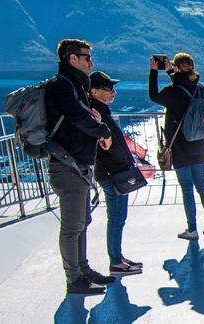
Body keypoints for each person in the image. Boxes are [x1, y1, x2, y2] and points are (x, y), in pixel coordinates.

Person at [44, 39, 120, 295]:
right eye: (86, 57)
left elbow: (81, 116)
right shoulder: (62, 86)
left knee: (82, 221)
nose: (91, 61)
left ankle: (83, 270)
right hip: (67, 167)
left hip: (79, 166)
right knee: (72, 226)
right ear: (71, 58)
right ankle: (73, 278)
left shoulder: (74, 84)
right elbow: (78, 118)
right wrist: (103, 130)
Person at [150, 53, 204, 240]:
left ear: (177, 68)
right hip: (198, 143)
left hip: (179, 145)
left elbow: (153, 95)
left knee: (187, 188)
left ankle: (192, 229)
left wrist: (154, 71)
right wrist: (173, 71)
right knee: (201, 186)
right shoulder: (199, 89)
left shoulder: (172, 92)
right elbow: (184, 85)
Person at [88, 70, 145, 276]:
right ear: (94, 91)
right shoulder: (95, 113)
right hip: (111, 174)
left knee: (119, 218)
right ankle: (115, 261)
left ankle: (118, 257)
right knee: (116, 218)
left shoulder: (102, 110)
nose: (113, 91)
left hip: (117, 171)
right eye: (107, 88)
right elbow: (104, 144)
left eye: (113, 88)